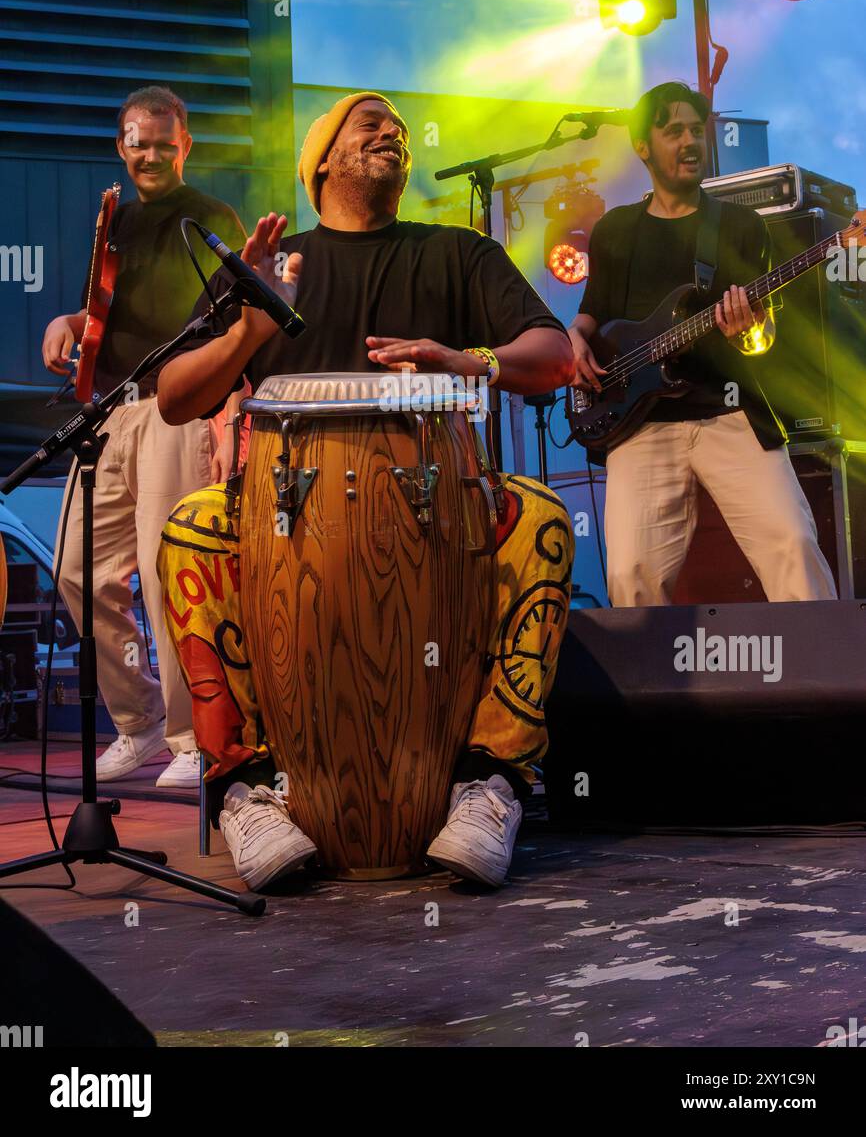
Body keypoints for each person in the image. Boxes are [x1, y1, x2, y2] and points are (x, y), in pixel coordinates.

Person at [156, 90, 576, 888]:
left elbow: (553, 356)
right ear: (321, 160)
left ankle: (492, 782)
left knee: (542, 519)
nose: (393, 132)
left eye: (399, 127)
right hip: (281, 524)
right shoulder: (272, 271)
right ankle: (243, 790)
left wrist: (468, 360)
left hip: (443, 515)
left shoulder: (457, 253)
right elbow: (176, 397)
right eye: (369, 122)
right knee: (191, 526)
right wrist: (249, 326)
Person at [42, 86, 246, 787]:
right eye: (138, 141)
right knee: (76, 569)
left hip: (175, 407)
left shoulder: (210, 218)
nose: (150, 153)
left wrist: (227, 421)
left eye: (164, 142)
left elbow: (236, 329)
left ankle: (194, 739)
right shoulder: (116, 221)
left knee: (171, 577)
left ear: (185, 146)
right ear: (121, 146)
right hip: (111, 410)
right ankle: (140, 723)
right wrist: (67, 325)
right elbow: (106, 313)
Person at [568, 80, 836, 607]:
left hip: (730, 414)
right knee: (629, 576)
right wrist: (572, 340)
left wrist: (749, 328)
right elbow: (591, 314)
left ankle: (827, 682)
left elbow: (762, 339)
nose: (690, 142)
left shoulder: (738, 225)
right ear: (643, 145)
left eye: (696, 130)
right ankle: (651, 688)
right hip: (640, 424)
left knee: (795, 546)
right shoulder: (616, 230)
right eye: (674, 132)